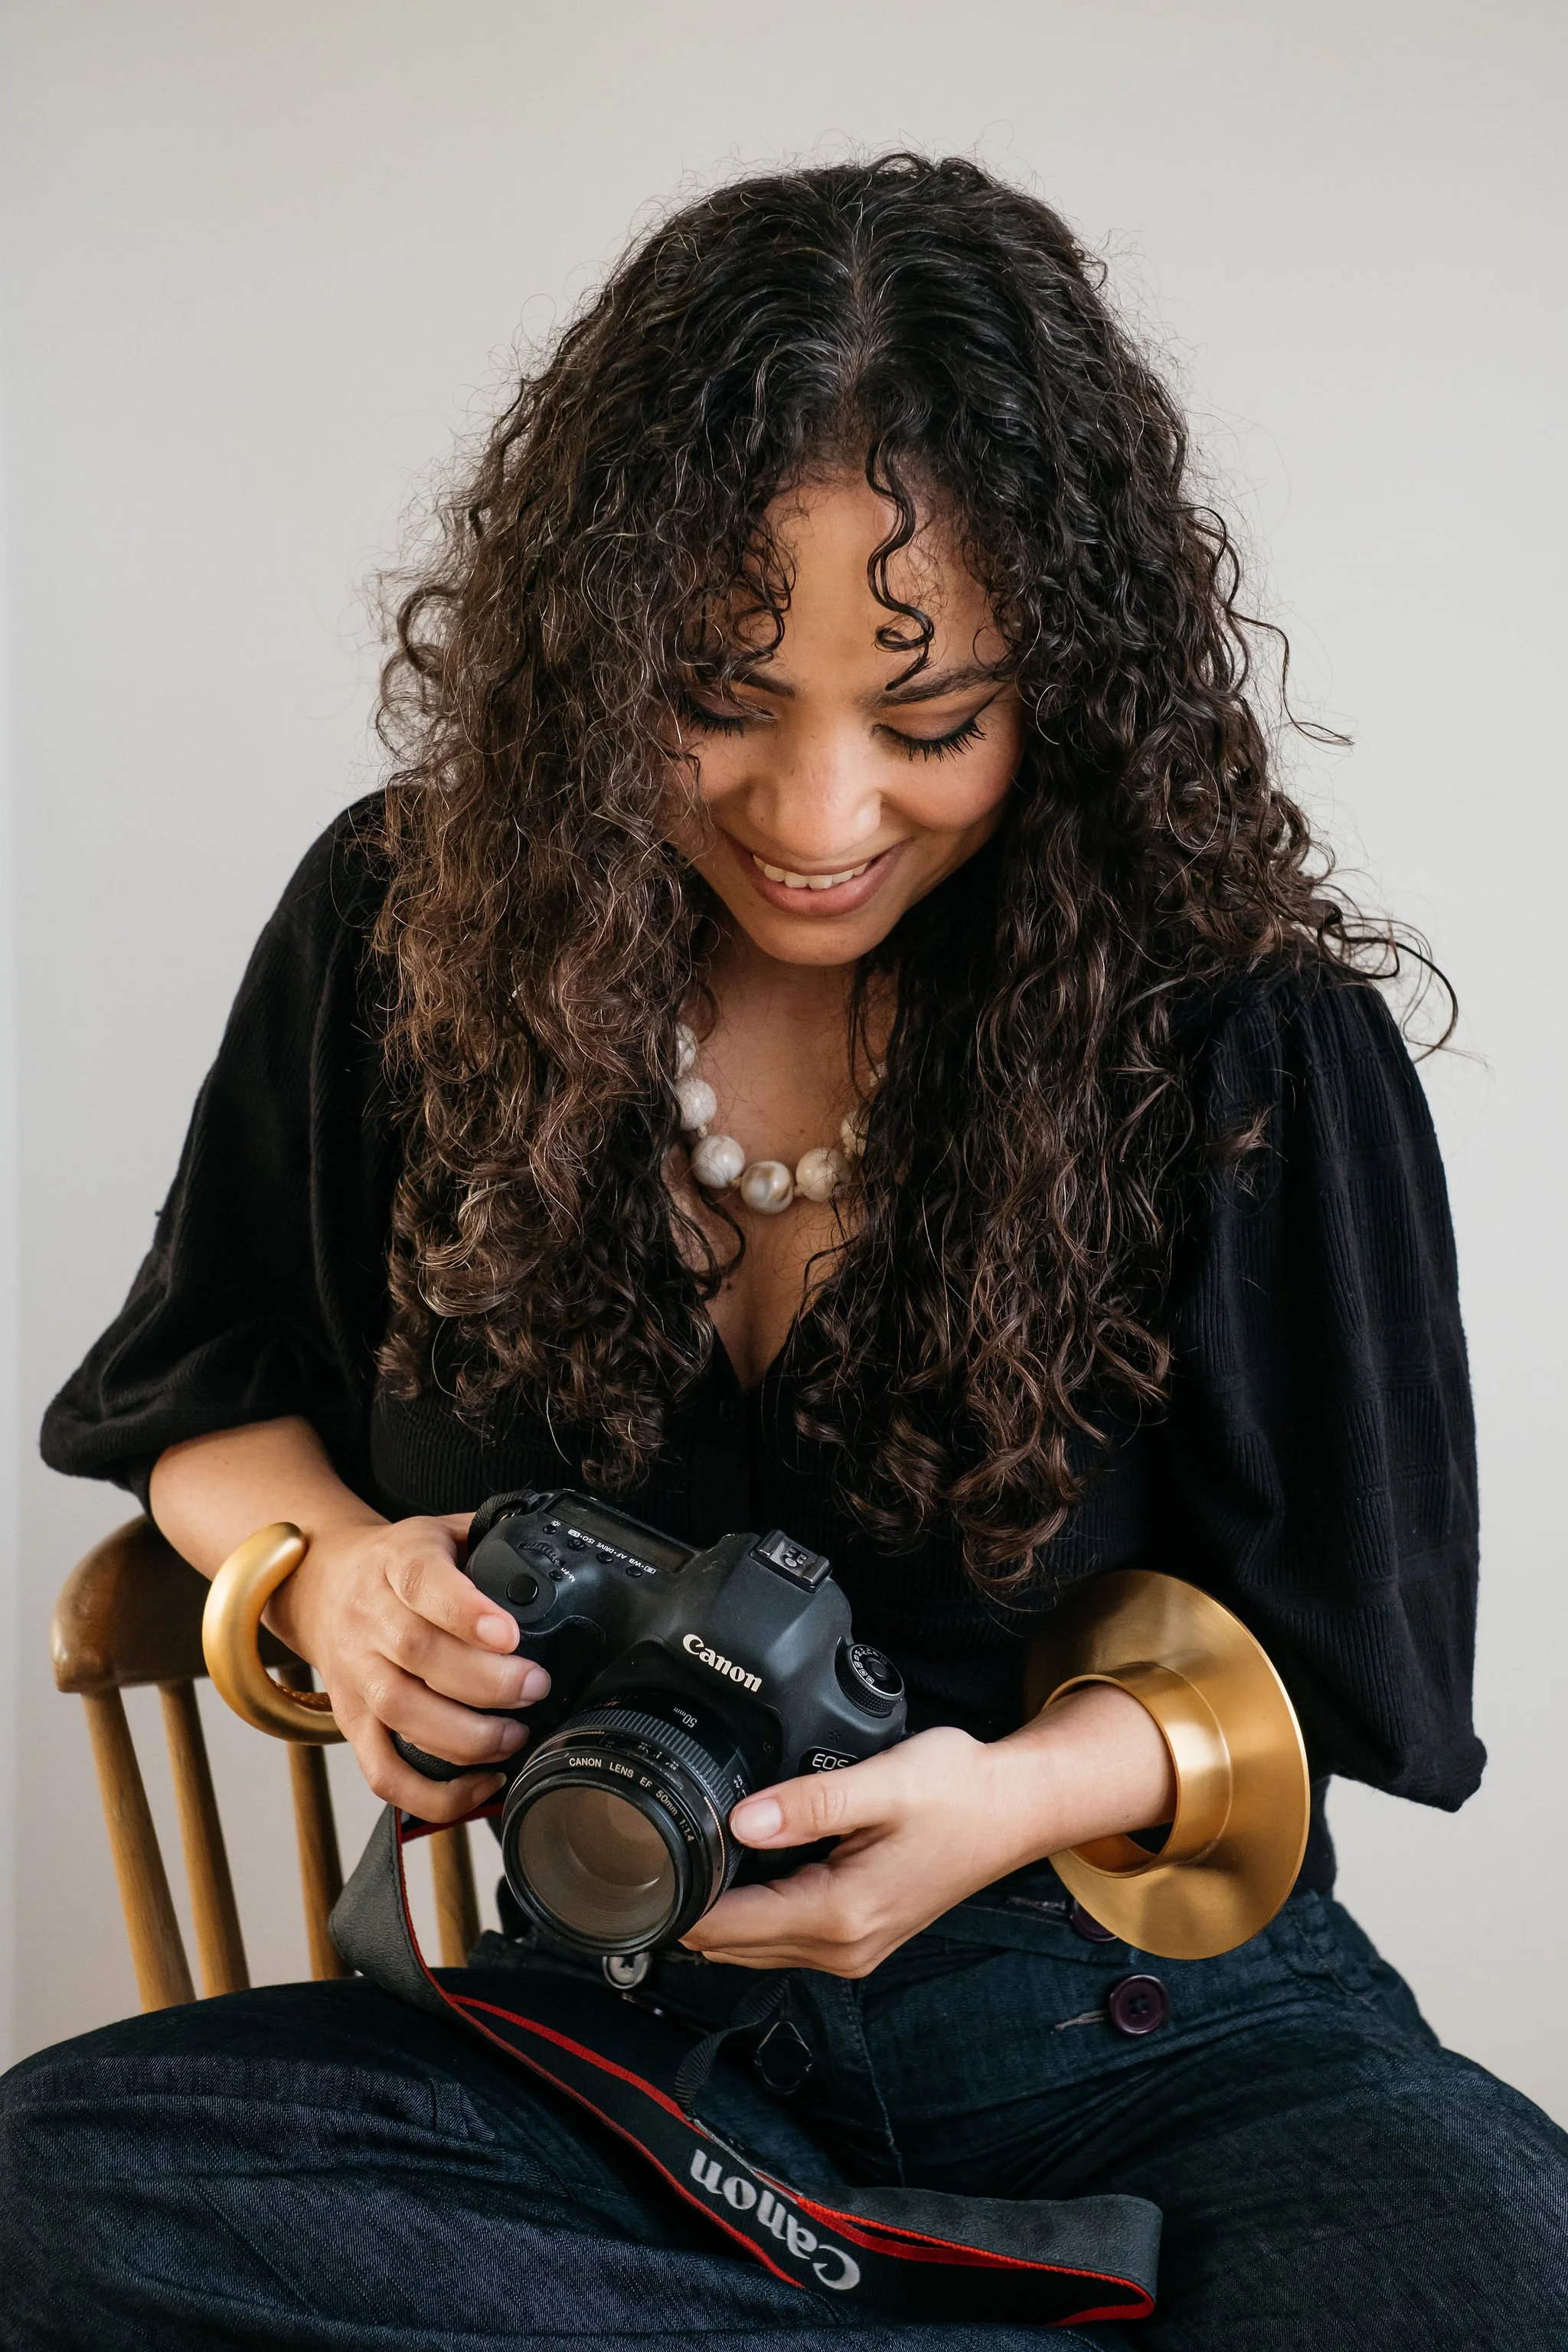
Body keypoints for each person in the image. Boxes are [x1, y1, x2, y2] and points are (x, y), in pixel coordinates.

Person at [3, 152, 1563, 2352]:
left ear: (1072, 687)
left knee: (1508, 2255)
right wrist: (326, 1578)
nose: (821, 817)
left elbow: (1346, 1660)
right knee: (62, 2185)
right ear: (588, 640)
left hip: (1135, 2037)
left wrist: (1011, 1797)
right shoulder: (407, 931)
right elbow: (205, 1384)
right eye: (717, 699)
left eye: (933, 723)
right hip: (616, 2044)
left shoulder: (1240, 1041)